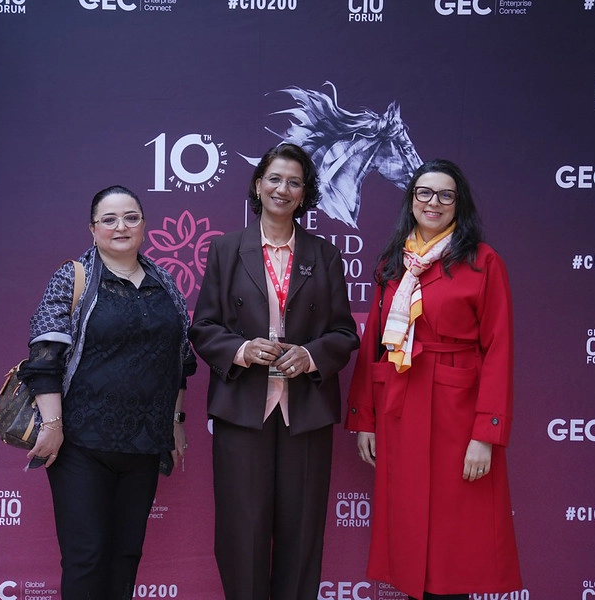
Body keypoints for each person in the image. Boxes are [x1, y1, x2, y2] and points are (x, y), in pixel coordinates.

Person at [189, 143, 359, 600]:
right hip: (242, 409)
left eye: (294, 182)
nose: (283, 189)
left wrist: (310, 356)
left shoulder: (325, 254)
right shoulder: (226, 250)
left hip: (305, 412)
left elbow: (344, 333)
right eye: (275, 179)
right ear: (258, 184)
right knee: (240, 531)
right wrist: (242, 349)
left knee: (302, 532)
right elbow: (203, 327)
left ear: (305, 193)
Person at [346, 159, 522, 600]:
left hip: (456, 415)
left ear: (459, 204)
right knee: (408, 531)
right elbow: (374, 345)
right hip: (401, 409)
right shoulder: (394, 263)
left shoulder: (483, 262)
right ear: (411, 199)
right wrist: (365, 418)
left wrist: (486, 434)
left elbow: (499, 350)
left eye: (446, 195)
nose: (434, 202)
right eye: (424, 192)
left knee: (454, 540)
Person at [17, 185, 196, 600]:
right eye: (109, 219)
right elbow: (44, 358)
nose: (121, 226)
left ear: (144, 226)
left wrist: (175, 421)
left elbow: (179, 363)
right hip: (80, 444)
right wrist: (52, 425)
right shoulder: (74, 277)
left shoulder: (165, 283)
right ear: (93, 229)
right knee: (87, 556)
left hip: (144, 445)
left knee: (126, 555)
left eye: (131, 217)